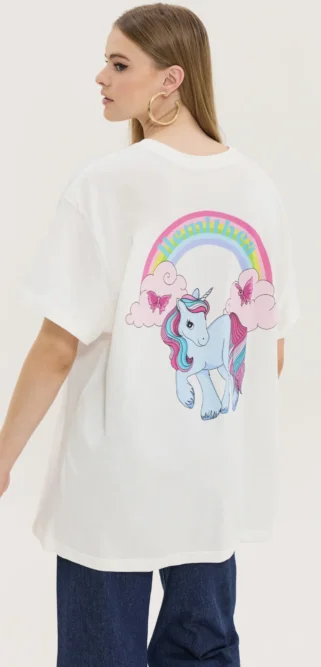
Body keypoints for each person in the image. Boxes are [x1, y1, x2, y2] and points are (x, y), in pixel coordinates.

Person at [0, 3, 300, 666]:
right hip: (211, 486)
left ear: (171, 80)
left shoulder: (106, 185)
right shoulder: (258, 189)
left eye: (119, 64)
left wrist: (3, 455)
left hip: (114, 482)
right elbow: (268, 351)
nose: (100, 77)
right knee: (203, 649)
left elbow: (57, 346)